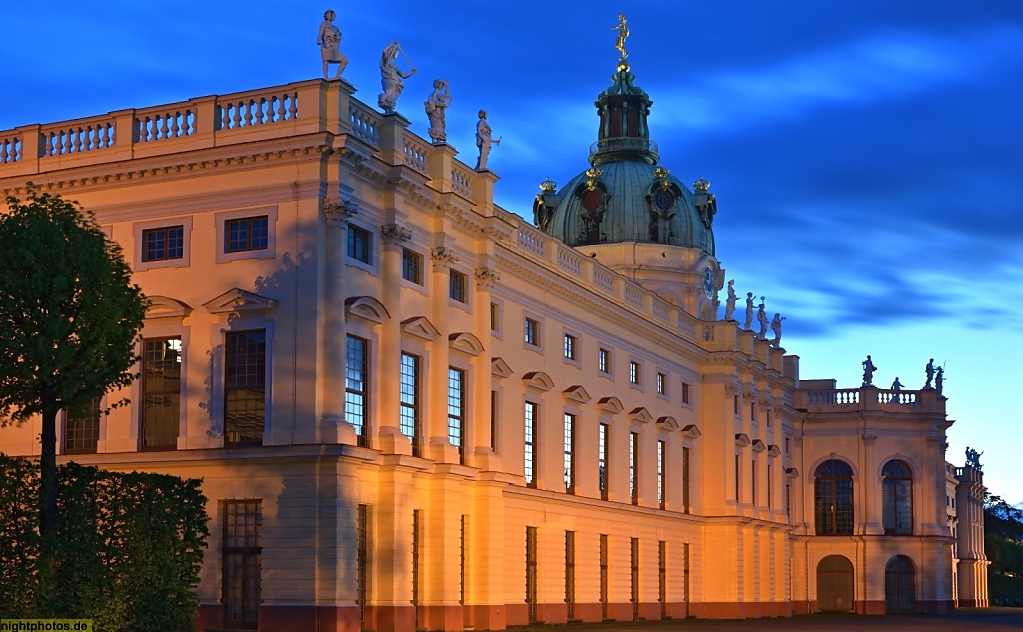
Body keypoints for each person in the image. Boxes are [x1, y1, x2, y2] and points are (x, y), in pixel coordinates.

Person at [378, 42, 416, 113]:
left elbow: (404, 76)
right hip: (388, 81)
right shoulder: (385, 62)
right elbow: (384, 51)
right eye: (391, 51)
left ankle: (389, 107)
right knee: (389, 94)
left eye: (394, 52)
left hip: (396, 82)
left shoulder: (395, 67)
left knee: (393, 96)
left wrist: (412, 72)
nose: (392, 53)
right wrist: (392, 44)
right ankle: (383, 101)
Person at [316, 10, 348, 80]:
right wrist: (318, 40)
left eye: (334, 15)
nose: (333, 16)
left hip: (335, 47)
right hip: (326, 45)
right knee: (325, 62)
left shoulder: (336, 28)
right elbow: (320, 34)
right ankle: (326, 77)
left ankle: (337, 76)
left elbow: (339, 36)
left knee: (345, 61)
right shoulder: (324, 24)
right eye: (332, 14)